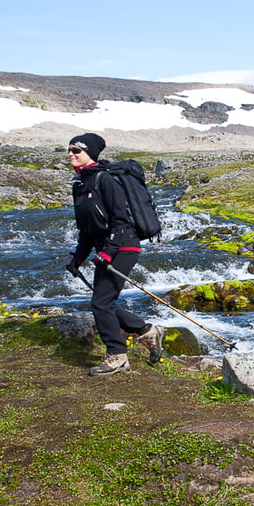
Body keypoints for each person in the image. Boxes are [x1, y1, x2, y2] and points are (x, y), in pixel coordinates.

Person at [65, 133, 166, 376]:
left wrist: (108, 252)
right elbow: (86, 228)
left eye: (76, 151)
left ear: (89, 153)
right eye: (69, 150)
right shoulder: (80, 185)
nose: (70, 154)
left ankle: (117, 355)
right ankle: (147, 331)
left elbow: (121, 220)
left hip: (124, 247)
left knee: (100, 302)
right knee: (103, 302)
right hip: (107, 250)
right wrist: (78, 257)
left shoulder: (104, 180)